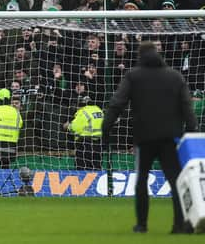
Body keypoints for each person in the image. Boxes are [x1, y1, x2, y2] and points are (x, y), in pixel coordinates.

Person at [102, 41, 198, 234]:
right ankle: (179, 224)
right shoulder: (175, 76)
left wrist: (106, 127)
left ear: (140, 56)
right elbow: (187, 107)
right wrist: (191, 131)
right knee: (176, 180)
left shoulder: (133, 76)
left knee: (141, 180)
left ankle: (142, 224)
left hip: (143, 137)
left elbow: (117, 103)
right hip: (170, 137)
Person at [64, 96, 103, 170]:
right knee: (97, 168)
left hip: (85, 144)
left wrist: (68, 126)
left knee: (82, 169)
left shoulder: (83, 112)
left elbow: (75, 127)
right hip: (99, 144)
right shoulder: (98, 109)